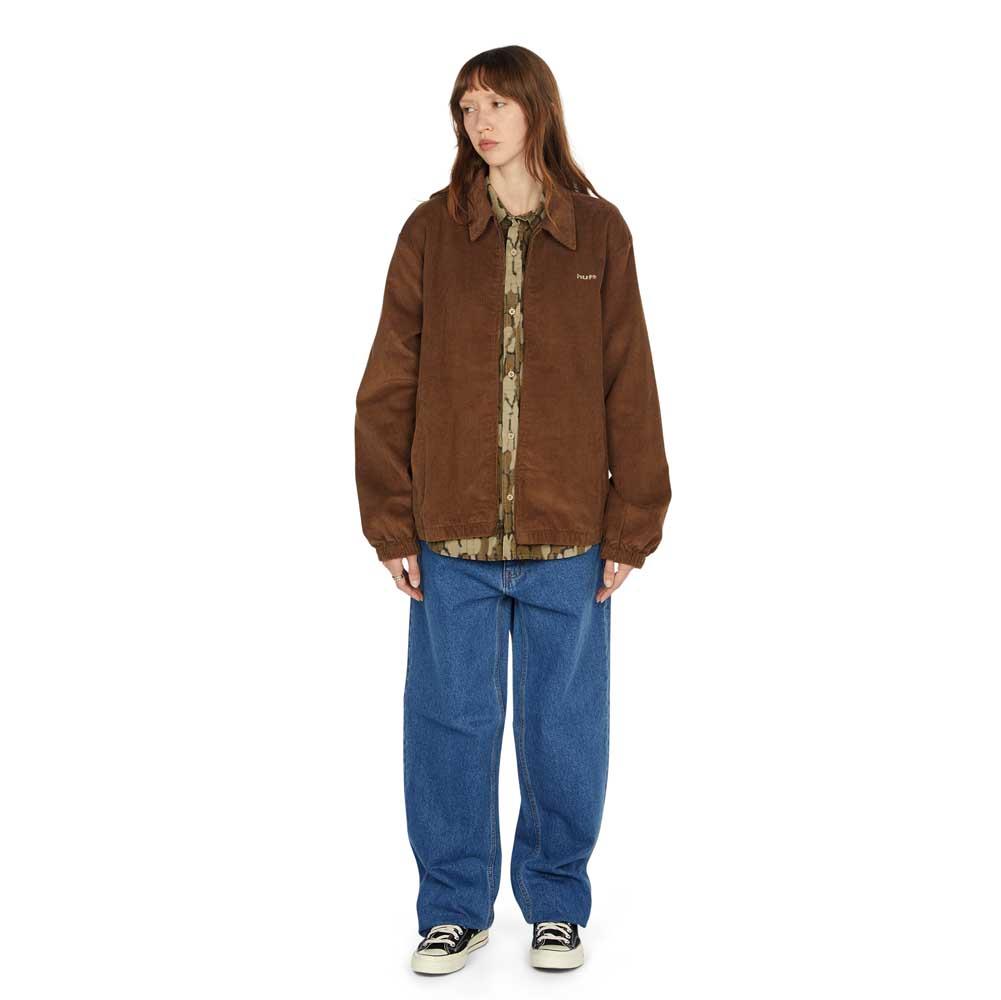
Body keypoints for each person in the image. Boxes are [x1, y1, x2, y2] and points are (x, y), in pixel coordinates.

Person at [354, 45, 672, 975]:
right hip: (447, 534)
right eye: (466, 107)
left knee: (562, 730)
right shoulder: (430, 231)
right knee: (447, 727)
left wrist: (633, 525)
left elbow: (629, 382)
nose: (479, 122)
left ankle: (555, 905)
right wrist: (388, 520)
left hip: (567, 533)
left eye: (495, 103)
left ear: (537, 109)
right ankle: (453, 909)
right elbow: (388, 382)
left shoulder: (598, 233)